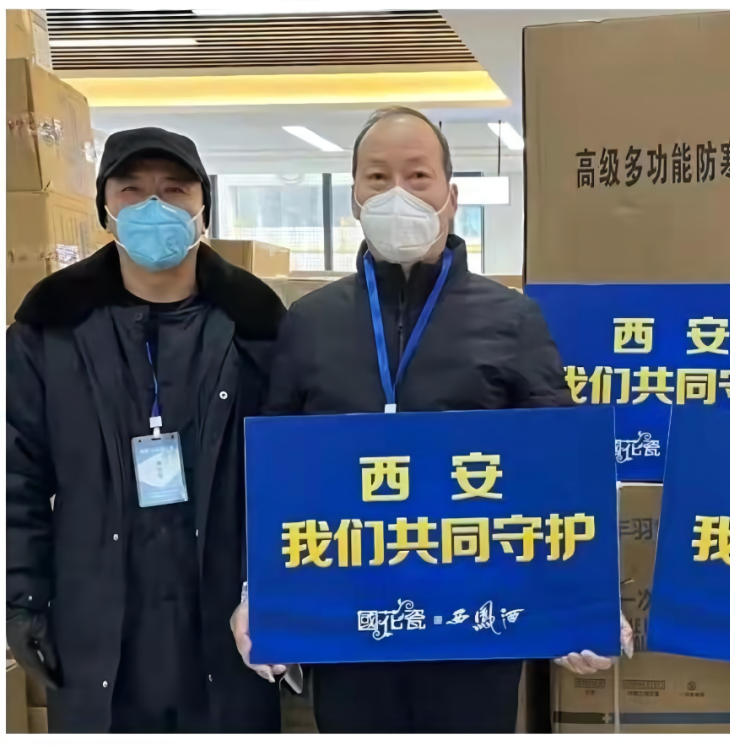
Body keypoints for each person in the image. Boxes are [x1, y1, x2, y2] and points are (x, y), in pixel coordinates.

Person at [229, 106, 628, 734]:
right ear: (355, 197)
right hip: (352, 619)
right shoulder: (310, 321)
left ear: (451, 195)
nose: (398, 193)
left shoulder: (511, 318)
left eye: (418, 176)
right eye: (377, 177)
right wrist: (260, 592)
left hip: (477, 619)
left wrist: (583, 597)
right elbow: (279, 470)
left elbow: (558, 464)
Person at [6, 127, 286, 733]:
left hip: (226, 632)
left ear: (203, 208)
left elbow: (291, 480)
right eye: (132, 190)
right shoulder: (49, 329)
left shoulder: (259, 328)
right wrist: (21, 598)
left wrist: (281, 593)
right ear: (105, 209)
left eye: (175, 189)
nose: (153, 205)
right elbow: (17, 475)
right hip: (98, 632)